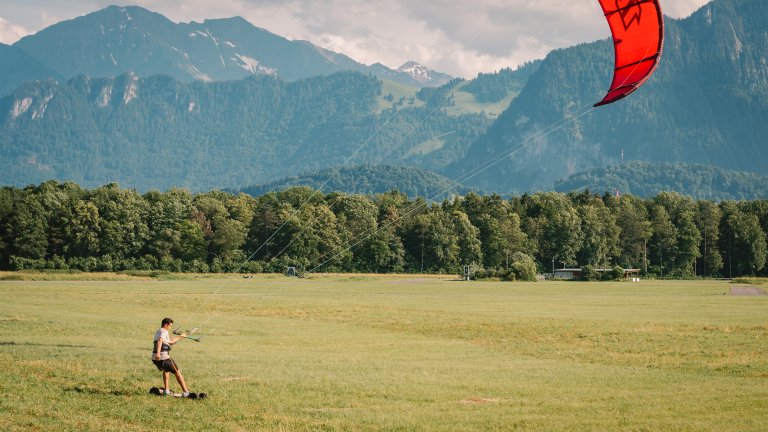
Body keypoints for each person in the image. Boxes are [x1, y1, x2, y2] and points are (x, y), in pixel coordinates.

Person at [151, 317, 191, 397]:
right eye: (170, 326)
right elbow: (160, 340)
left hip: (154, 358)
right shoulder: (164, 331)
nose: (170, 328)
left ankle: (167, 390)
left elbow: (170, 342)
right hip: (163, 357)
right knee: (178, 373)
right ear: (166, 324)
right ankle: (186, 392)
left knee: (166, 370)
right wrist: (159, 353)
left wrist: (181, 337)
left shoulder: (159, 331)